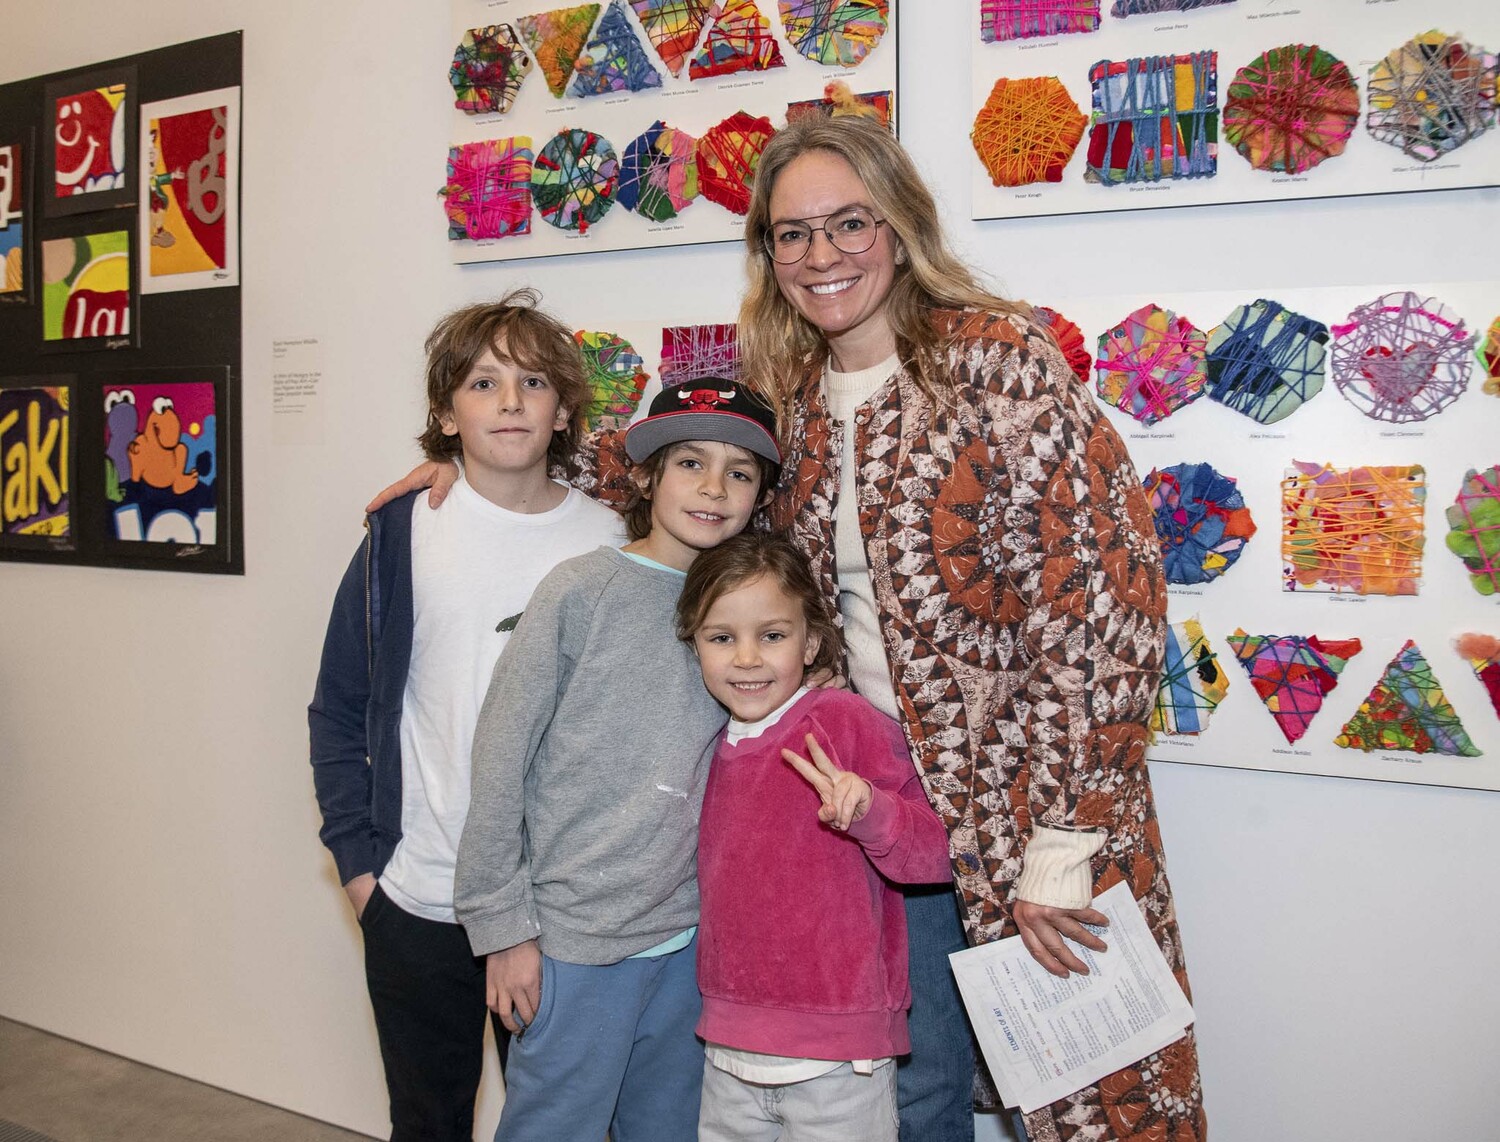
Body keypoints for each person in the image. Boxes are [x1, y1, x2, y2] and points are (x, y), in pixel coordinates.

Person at [370, 116, 1206, 1142]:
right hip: (864, 805)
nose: (821, 256)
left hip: (1009, 814)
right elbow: (689, 470)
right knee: (919, 1083)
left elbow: (1104, 598)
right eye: (791, 234)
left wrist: (1063, 840)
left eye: (848, 223)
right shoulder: (800, 396)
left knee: (1075, 1091)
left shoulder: (998, 364)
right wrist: (493, 459)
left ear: (899, 229)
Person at [307, 289, 624, 1141]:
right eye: (483, 384)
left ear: (564, 411)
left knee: (561, 1125)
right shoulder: (402, 533)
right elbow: (339, 704)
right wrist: (360, 864)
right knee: (428, 1121)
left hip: (557, 905)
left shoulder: (614, 541)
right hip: (418, 897)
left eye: (532, 381)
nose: (511, 401)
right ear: (446, 414)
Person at [451, 382, 781, 1142]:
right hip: (574, 942)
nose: (712, 486)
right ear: (646, 477)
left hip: (688, 939)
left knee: (667, 1128)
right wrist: (502, 930)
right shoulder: (581, 591)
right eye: (690, 462)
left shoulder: (747, 610)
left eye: (739, 472)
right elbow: (500, 760)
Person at [677, 531, 952, 1142]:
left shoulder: (844, 721)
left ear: (812, 642)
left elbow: (938, 854)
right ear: (694, 644)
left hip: (840, 1061)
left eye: (771, 635)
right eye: (723, 639)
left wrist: (872, 812)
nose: (747, 659)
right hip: (727, 1051)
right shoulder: (706, 740)